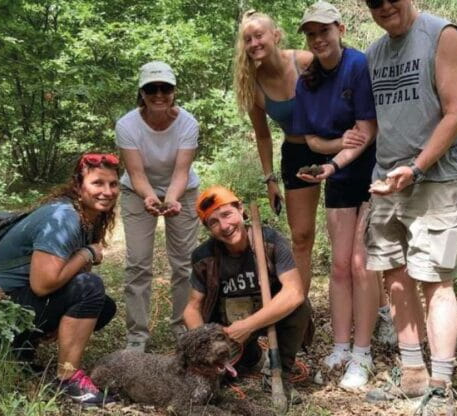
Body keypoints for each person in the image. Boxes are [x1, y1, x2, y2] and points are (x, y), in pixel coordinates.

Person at [362, 0, 457, 414]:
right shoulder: (374, 53)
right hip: (387, 182)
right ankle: (412, 374)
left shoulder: (442, 35)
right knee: (394, 274)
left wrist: (417, 167)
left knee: (436, 281)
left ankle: (441, 386)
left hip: (435, 181)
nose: (383, 6)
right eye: (373, 1)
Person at [0, 153, 120, 406]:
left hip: (11, 303)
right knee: (89, 288)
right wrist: (87, 253)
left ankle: (19, 353)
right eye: (97, 183)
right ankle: (69, 379)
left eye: (113, 184)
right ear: (78, 186)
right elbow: (43, 285)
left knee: (103, 306)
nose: (107, 191)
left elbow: (72, 276)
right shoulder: (63, 217)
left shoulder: (84, 216)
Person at [290, 1, 379, 390]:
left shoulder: (358, 65)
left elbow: (368, 131)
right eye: (311, 34)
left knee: (362, 264)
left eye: (324, 30)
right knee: (340, 266)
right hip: (338, 175)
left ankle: (363, 352)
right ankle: (341, 345)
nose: (318, 39)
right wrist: (336, 149)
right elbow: (310, 139)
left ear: (340, 29)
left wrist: (333, 161)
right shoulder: (306, 81)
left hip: (372, 174)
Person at [183, 185, 311, 401]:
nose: (224, 226)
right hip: (228, 330)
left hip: (269, 318)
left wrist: (248, 325)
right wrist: (205, 344)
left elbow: (295, 292)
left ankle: (280, 373)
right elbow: (192, 308)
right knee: (209, 381)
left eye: (227, 214)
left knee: (300, 307)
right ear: (208, 229)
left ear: (240, 209)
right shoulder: (204, 256)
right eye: (214, 222)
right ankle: (250, 357)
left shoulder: (270, 241)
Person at [232, 10, 318, 295]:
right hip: (297, 152)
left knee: (353, 234)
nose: (254, 43)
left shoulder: (305, 62)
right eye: (248, 39)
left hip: (337, 146)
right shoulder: (252, 84)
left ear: (276, 35)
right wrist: (270, 179)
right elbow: (263, 135)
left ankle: (380, 307)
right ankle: (299, 307)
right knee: (301, 236)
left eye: (259, 35)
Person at [117, 61, 200, 350]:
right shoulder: (127, 125)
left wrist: (172, 198)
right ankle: (137, 336)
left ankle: (183, 326)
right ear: (142, 92)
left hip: (183, 190)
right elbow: (136, 173)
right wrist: (150, 197)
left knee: (185, 262)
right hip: (136, 190)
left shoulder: (188, 123)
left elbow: (181, 172)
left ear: (174, 91)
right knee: (138, 263)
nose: (159, 94)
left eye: (165, 88)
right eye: (151, 89)